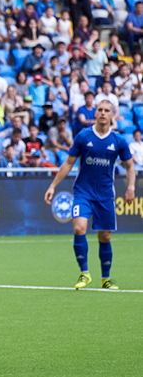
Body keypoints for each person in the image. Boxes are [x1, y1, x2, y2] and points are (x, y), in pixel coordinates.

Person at [44, 101, 136, 290]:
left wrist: (131, 188)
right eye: (100, 110)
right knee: (79, 228)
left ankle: (106, 279)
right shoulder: (84, 136)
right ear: (96, 113)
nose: (103, 113)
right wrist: (53, 185)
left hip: (105, 195)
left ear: (112, 115)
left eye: (106, 111)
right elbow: (69, 163)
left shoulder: (118, 141)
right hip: (83, 192)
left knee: (105, 237)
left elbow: (130, 166)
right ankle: (84, 273)